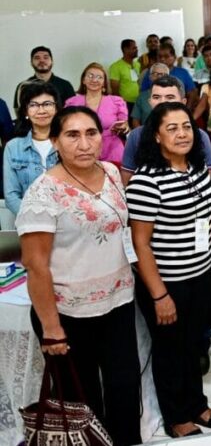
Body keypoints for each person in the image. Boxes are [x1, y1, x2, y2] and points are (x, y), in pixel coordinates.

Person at [17, 106, 141, 445]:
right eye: (72, 135)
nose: (84, 143)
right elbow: (36, 265)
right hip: (68, 314)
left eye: (91, 133)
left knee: (125, 388)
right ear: (55, 140)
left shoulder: (112, 173)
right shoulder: (43, 193)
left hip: (117, 302)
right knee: (82, 401)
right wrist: (52, 328)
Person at [127, 102, 211, 439]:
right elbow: (139, 246)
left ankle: (196, 403)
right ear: (156, 135)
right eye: (172, 128)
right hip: (167, 281)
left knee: (194, 344)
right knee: (170, 350)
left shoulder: (196, 168)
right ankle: (176, 415)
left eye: (186, 126)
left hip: (201, 272)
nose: (182, 134)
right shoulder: (146, 182)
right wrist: (160, 294)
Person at [122, 76, 211, 185]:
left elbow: (208, 177)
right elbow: (127, 177)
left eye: (170, 97)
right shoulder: (136, 135)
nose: (162, 102)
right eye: (156, 97)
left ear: (183, 101)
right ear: (150, 101)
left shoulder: (200, 136)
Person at [4, 83, 61, 214]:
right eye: (34, 105)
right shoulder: (13, 147)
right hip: (28, 223)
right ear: (26, 111)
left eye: (47, 104)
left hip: (66, 222)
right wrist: (35, 219)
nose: (41, 110)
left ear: (56, 108)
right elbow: (11, 196)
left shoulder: (68, 142)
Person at [64, 63, 128, 164]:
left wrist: (124, 127)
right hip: (81, 149)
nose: (94, 80)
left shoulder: (116, 102)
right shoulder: (72, 102)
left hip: (112, 151)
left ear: (104, 83)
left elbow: (124, 123)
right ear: (83, 80)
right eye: (90, 76)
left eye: (99, 77)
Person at [14, 46, 76, 111]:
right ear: (31, 63)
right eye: (37, 58)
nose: (42, 60)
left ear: (52, 61)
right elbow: (19, 111)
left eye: (46, 57)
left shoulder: (65, 85)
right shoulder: (23, 86)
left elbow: (72, 111)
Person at [130, 63, 171, 129]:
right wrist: (141, 135)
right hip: (146, 135)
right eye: (155, 74)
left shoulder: (173, 95)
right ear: (150, 77)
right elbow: (135, 120)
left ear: (168, 77)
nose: (159, 77)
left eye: (163, 74)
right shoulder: (142, 96)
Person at [109, 39, 142, 110]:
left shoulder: (138, 65)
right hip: (126, 104)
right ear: (126, 49)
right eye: (134, 48)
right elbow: (115, 89)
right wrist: (121, 104)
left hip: (139, 102)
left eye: (136, 48)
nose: (137, 50)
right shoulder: (116, 67)